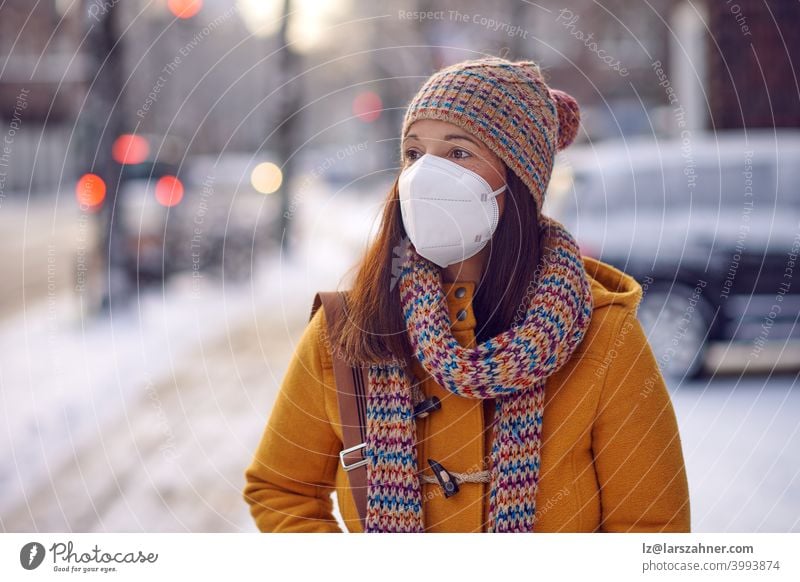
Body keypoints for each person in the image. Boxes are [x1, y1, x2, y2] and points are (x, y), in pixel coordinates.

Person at [242, 56, 691, 533]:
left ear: (517, 178)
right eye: (415, 154)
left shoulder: (603, 336)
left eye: (458, 153)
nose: (425, 175)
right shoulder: (351, 328)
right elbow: (281, 489)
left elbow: (650, 527)